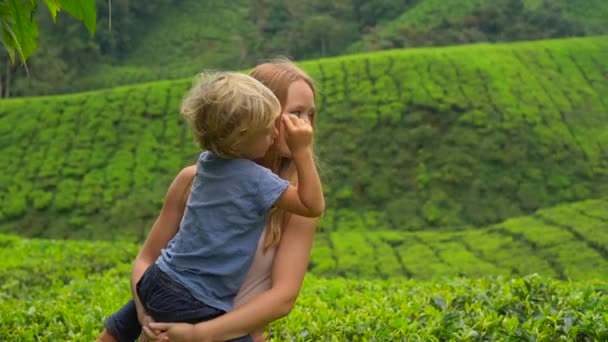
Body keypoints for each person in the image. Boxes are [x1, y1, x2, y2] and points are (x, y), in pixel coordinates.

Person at [97, 59, 321, 342]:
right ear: (254, 117)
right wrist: (146, 315)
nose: (305, 126)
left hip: (219, 332)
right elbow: (147, 259)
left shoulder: (294, 203)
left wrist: (198, 333)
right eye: (295, 113)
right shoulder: (193, 179)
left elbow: (282, 298)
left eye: (310, 115)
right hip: (165, 316)